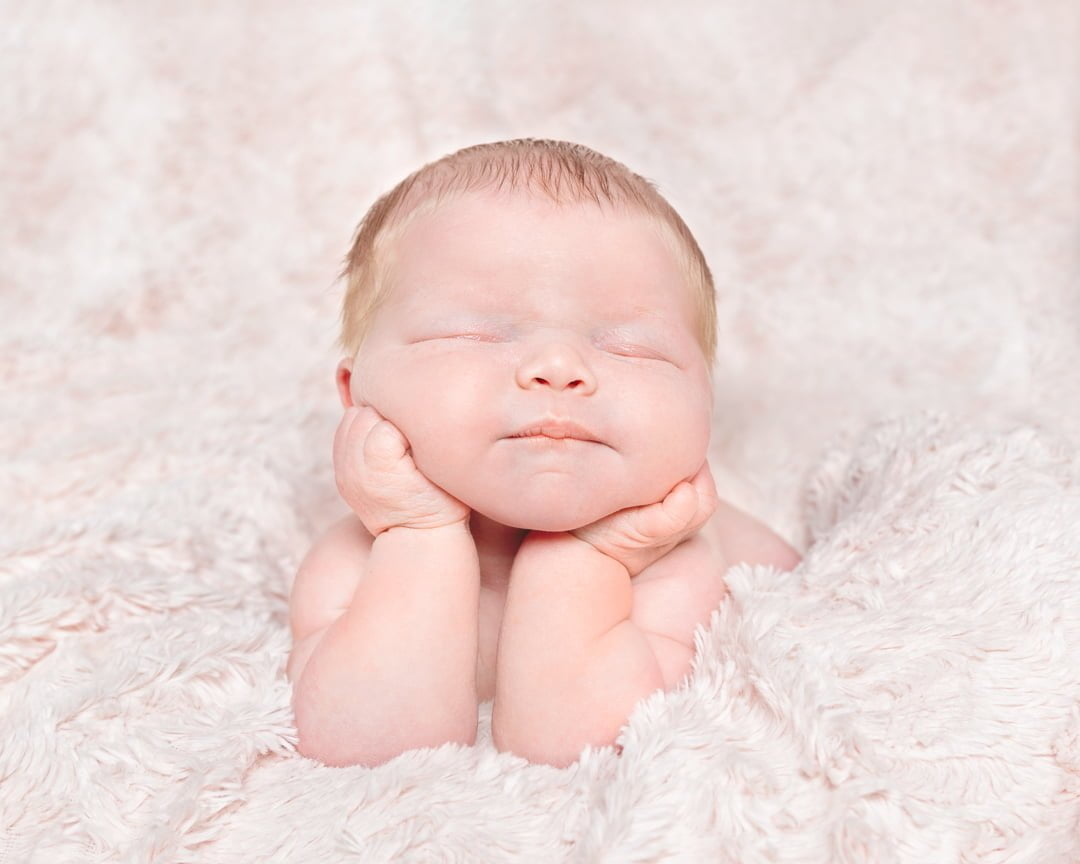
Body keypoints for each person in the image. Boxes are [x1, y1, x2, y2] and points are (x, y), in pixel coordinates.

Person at [287, 138, 801, 768]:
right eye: (472, 334)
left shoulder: (682, 567)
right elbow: (369, 749)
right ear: (355, 394)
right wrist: (418, 536)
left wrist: (592, 558)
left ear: (706, 402)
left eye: (632, 347)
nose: (559, 367)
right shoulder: (354, 563)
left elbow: (571, 748)